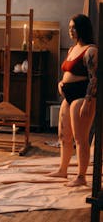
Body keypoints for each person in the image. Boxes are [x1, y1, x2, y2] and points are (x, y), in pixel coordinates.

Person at [47, 14, 97, 187]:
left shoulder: (91, 50)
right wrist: (61, 83)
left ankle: (81, 176)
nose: (70, 30)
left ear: (82, 29)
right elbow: (68, 73)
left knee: (80, 139)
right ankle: (63, 170)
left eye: (73, 27)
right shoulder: (71, 49)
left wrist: (88, 101)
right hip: (68, 96)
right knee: (64, 135)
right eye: (69, 27)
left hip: (82, 96)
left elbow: (93, 78)